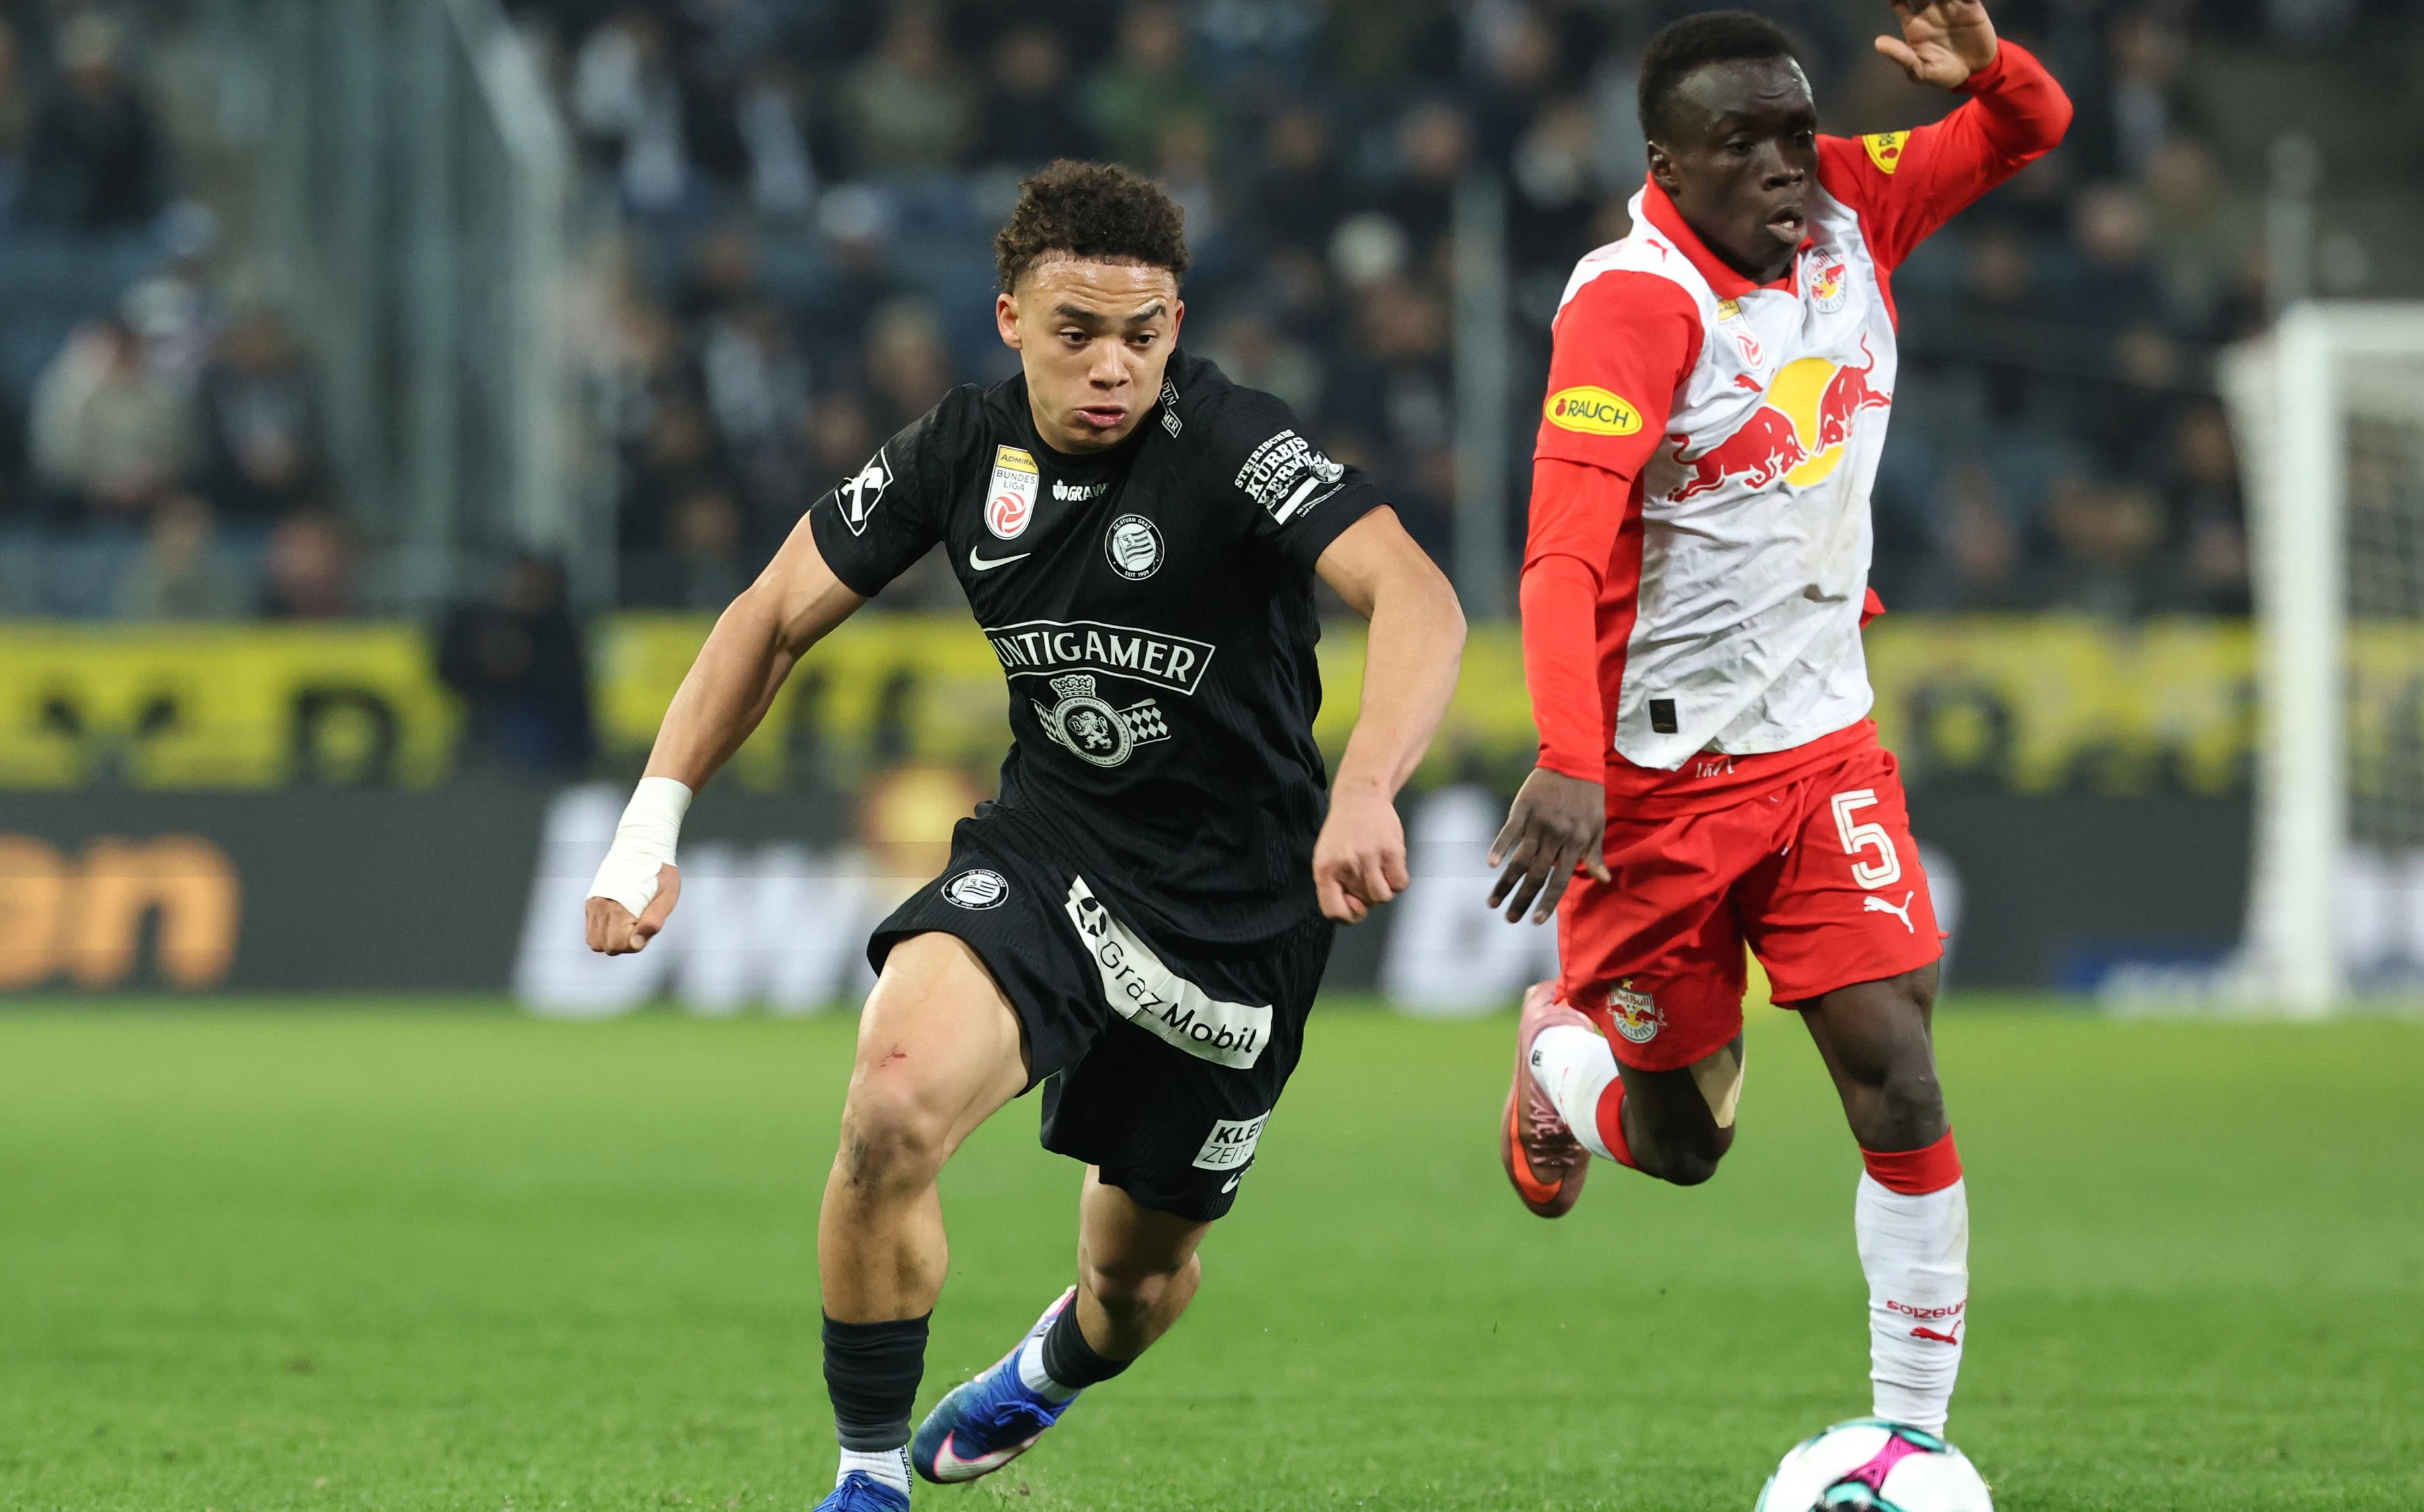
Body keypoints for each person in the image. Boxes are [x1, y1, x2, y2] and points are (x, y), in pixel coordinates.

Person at [581, 161, 1463, 1511]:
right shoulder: (959, 448)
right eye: (1076, 332)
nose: (1112, 366)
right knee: (889, 1106)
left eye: (1142, 335)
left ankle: (1048, 1368)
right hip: (1052, 854)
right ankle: (866, 1478)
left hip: (1238, 915)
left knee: (1134, 1281)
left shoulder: (1233, 443)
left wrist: (1366, 788)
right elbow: (770, 615)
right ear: (1009, 319)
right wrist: (652, 820)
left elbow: (1415, 595)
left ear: (1175, 325)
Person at [1488, 2, 2069, 1438]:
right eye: (1738, 141)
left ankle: (1908, 1442)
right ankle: (1557, 1056)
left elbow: (2032, 129)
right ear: (1665, 165)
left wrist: (1987, 70)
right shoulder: (1632, 306)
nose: (1780, 165)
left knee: (1900, 1081)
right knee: (1683, 1145)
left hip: (1822, 752)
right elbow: (1560, 555)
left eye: (1794, 133)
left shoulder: (1848, 207)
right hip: (1658, 784)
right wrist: (1567, 757)